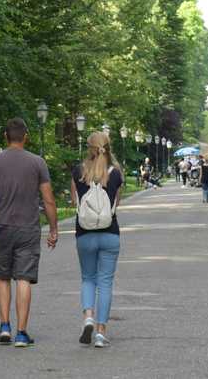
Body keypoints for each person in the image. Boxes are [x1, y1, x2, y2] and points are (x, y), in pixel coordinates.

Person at [0, 117, 58, 348]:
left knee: (3, 277)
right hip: (28, 228)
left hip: (2, 226)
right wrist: (53, 229)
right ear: (26, 137)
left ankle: (5, 326)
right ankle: (21, 333)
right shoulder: (37, 163)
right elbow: (49, 199)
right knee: (24, 278)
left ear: (5, 136)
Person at [70, 132, 123, 348]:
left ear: (89, 148)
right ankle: (101, 333)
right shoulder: (116, 173)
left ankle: (88, 318)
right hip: (110, 234)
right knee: (105, 282)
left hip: (85, 234)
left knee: (88, 278)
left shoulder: (78, 172)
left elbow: (75, 202)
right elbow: (116, 204)